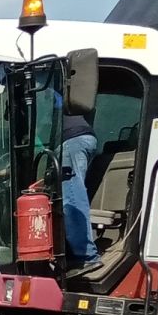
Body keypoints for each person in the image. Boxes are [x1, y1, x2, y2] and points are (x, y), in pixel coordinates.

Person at [61, 110, 102, 262]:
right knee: (73, 193)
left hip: (72, 139)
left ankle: (86, 255)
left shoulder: (38, 104)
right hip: (81, 138)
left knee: (71, 198)